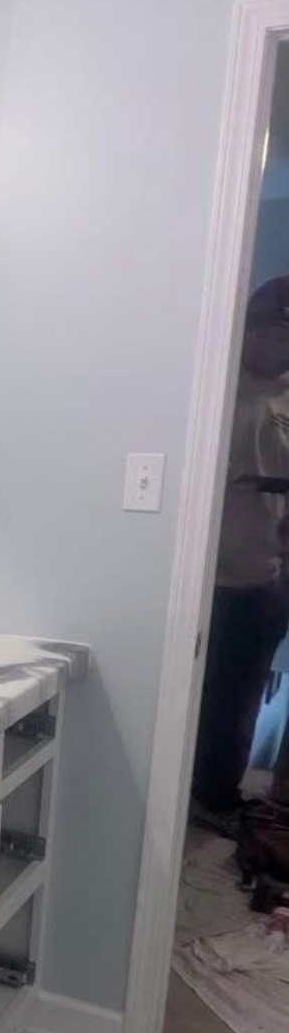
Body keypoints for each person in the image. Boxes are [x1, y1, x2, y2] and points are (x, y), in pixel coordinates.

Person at [191, 274, 289, 825]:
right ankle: (190, 797)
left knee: (243, 697)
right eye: (279, 333)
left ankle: (218, 796)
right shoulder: (214, 384)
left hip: (266, 575)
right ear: (253, 328)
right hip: (209, 579)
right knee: (202, 697)